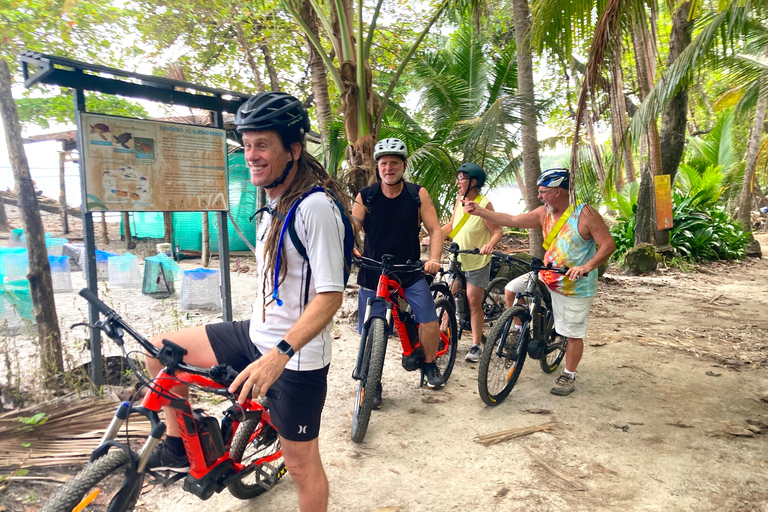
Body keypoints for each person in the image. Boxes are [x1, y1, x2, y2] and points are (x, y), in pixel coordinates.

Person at [144, 91, 348, 512]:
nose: (251, 155)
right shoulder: (274, 200)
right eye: (246, 144)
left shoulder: (316, 207)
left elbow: (330, 296)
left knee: (302, 467)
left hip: (297, 359)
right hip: (255, 334)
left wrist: (280, 355)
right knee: (158, 351)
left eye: (262, 145)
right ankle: (180, 446)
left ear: (293, 149)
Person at [464, 168, 615, 396]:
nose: (539, 196)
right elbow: (513, 219)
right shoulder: (544, 213)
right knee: (511, 289)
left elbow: (608, 246)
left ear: (558, 191)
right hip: (546, 275)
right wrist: (481, 212)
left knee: (572, 334)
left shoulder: (586, 215)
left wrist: (586, 266)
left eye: (543, 192)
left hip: (574, 286)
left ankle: (568, 375)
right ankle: (516, 328)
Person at [350, 138, 445, 406]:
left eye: (394, 163)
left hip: (409, 269)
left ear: (403, 166)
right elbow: (353, 226)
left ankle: (429, 364)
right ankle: (372, 382)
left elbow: (435, 230)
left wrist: (434, 258)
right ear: (377, 168)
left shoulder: (417, 194)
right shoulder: (366, 195)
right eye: (383, 163)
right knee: (371, 329)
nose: (388, 168)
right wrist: (347, 246)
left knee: (427, 317)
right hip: (373, 269)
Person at [440, 163, 502, 362]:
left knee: (473, 301)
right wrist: (435, 236)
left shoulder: (484, 204)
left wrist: (489, 245)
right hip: (458, 259)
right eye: (457, 178)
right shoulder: (460, 200)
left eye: (462, 179)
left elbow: (497, 231)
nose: (458, 182)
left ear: (474, 182)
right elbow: (452, 225)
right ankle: (442, 334)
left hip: (477, 261)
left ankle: (476, 345)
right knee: (448, 294)